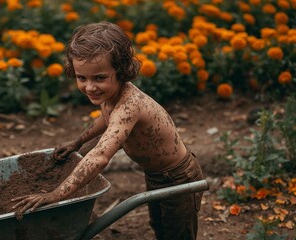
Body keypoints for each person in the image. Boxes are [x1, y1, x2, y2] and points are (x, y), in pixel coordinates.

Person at [11, 21, 204, 240]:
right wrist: (77, 142)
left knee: (178, 233)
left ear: (121, 71)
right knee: (159, 225)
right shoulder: (111, 96)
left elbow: (101, 156)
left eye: (99, 78)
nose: (90, 87)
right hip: (155, 174)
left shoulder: (129, 106)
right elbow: (104, 121)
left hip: (178, 176)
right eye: (81, 78)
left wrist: (56, 195)